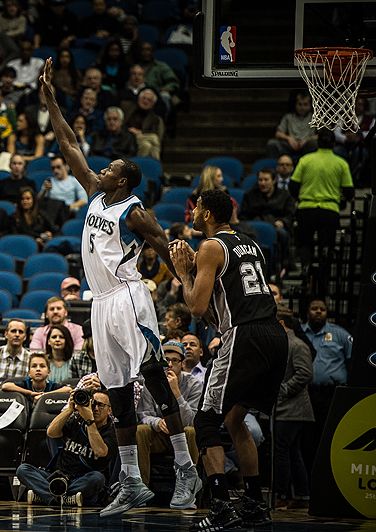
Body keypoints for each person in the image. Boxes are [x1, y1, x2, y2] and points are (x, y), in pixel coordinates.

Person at [39, 57, 201, 516]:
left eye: (111, 168)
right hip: (101, 302)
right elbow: (69, 143)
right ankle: (132, 481)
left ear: (124, 179)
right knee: (115, 392)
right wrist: (50, 99)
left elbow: (167, 247)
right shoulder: (95, 192)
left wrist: (188, 285)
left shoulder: (133, 210)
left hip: (130, 297)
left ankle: (187, 470)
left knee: (151, 378)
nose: (102, 169)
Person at [170, 189, 288, 530]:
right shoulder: (250, 243)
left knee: (206, 424)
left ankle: (220, 505)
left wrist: (184, 273)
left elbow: (196, 307)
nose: (191, 212)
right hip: (274, 335)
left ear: (207, 215)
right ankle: (253, 503)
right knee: (235, 421)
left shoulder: (210, 246)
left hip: (245, 335)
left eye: (196, 209)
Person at [18, 388, 117, 507]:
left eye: (100, 405)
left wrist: (90, 421)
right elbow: (51, 432)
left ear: (109, 410)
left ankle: (46, 495)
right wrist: (70, 409)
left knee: (98, 479)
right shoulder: (77, 421)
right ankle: (62, 498)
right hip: (57, 476)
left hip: (82, 480)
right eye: (93, 403)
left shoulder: (112, 433)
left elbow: (100, 451)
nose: (95, 408)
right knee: (23, 469)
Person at [289, 128, 354, 285]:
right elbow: (350, 192)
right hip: (329, 210)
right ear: (333, 144)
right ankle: (324, 274)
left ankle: (307, 269)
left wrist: (299, 196)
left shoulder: (306, 160)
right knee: (327, 245)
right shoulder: (341, 163)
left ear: (317, 142)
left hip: (306, 208)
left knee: (304, 243)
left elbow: (293, 185)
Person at [135, 340, 201, 488]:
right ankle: (140, 488)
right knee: (141, 430)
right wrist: (157, 422)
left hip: (183, 436)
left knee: (191, 432)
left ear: (183, 363)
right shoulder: (151, 383)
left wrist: (176, 392)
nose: (169, 365)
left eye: (174, 360)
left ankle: (187, 488)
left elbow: (191, 421)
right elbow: (144, 414)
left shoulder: (194, 385)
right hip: (161, 436)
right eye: (166, 361)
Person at [301, 297, 352, 484]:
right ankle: (309, 482)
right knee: (308, 441)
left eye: (322, 309)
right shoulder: (300, 334)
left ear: (326, 312)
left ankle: (330, 481)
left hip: (332, 396)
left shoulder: (339, 334)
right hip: (307, 395)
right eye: (314, 308)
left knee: (330, 438)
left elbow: (352, 361)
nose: (318, 312)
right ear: (307, 312)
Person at [273, 304, 314, 510]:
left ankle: (281, 495)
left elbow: (306, 373)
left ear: (280, 323)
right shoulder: (286, 344)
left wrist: (283, 389)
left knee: (282, 451)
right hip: (287, 408)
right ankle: (301, 495)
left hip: (292, 409)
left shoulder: (296, 345)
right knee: (292, 452)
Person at [240, 167, 295, 273]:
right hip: (254, 226)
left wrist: (283, 222)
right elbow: (243, 216)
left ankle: (281, 266)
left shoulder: (284, 195)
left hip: (276, 226)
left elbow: (290, 215)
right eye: (260, 180)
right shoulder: (250, 195)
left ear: (274, 181)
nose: (262, 183)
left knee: (282, 233)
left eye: (266, 180)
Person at [0, 318, 31, 389]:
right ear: (6, 334)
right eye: (13, 331)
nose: (17, 334)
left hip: (20, 397)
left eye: (20, 332)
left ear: (25, 337)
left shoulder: (31, 359)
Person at [266, 91, 318, 158]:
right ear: (295, 105)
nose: (302, 107)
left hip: (307, 145)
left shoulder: (315, 118)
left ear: (310, 106)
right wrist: (289, 138)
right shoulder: (288, 117)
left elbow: (323, 134)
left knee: (313, 144)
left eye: (305, 104)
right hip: (290, 146)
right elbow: (278, 134)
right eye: (300, 104)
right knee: (272, 144)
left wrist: (308, 139)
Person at [2, 353, 67, 403]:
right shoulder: (25, 384)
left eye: (42, 366)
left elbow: (68, 389)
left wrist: (44, 395)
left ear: (48, 372)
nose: (38, 369)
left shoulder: (52, 386)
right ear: (29, 372)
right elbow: (5, 386)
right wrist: (29, 393)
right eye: (34, 366)